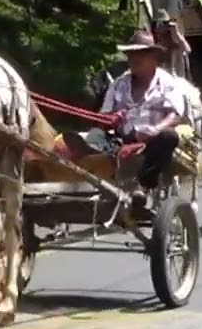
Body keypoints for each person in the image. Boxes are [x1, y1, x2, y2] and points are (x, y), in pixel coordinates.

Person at [64, 29, 187, 206]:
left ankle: (142, 184)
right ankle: (89, 158)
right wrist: (111, 118)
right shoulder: (118, 84)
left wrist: (155, 129)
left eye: (140, 54)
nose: (133, 59)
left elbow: (175, 114)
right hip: (121, 137)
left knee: (169, 136)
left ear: (153, 57)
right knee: (95, 134)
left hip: (152, 138)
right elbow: (103, 116)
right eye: (130, 54)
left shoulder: (167, 82)